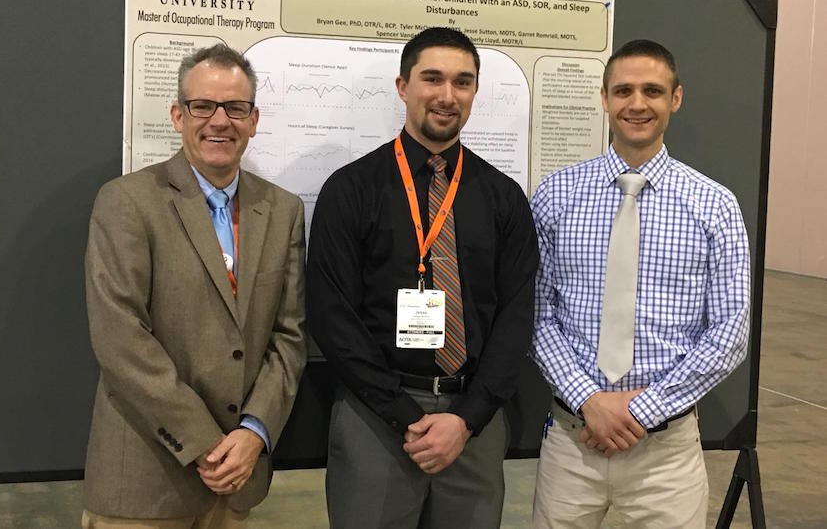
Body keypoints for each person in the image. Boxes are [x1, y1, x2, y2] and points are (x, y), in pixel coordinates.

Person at [306, 27, 538, 528]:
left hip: (473, 423)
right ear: (403, 86)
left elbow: (517, 315)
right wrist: (406, 417)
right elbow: (331, 317)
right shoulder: (350, 190)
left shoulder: (503, 198)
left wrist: (466, 419)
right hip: (376, 418)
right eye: (432, 78)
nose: (447, 95)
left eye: (463, 82)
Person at [82, 44, 307, 528]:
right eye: (203, 106)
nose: (219, 121)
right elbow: (120, 338)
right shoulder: (127, 202)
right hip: (145, 484)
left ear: (253, 119)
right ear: (178, 115)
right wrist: (206, 444)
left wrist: (254, 433)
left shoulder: (284, 210)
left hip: (237, 481)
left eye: (235, 108)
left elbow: (289, 336)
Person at [530, 39, 751, 528]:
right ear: (604, 98)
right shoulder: (555, 195)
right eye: (623, 90)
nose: (637, 104)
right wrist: (590, 403)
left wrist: (642, 410)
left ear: (675, 98)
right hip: (572, 444)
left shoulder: (715, 206)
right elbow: (536, 316)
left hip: (666, 456)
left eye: (652, 90)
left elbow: (729, 332)